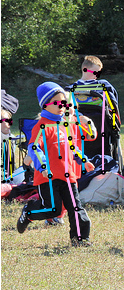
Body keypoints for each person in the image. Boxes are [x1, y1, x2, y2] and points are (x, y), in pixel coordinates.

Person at [16, 82, 96, 246]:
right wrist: (43, 166)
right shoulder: (42, 126)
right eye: (57, 102)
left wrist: (84, 160)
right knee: (53, 210)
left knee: (75, 207)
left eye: (64, 102)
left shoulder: (64, 124)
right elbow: (34, 148)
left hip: (68, 175)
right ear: (45, 105)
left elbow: (71, 146)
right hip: (48, 178)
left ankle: (80, 239)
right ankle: (29, 213)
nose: (62, 106)